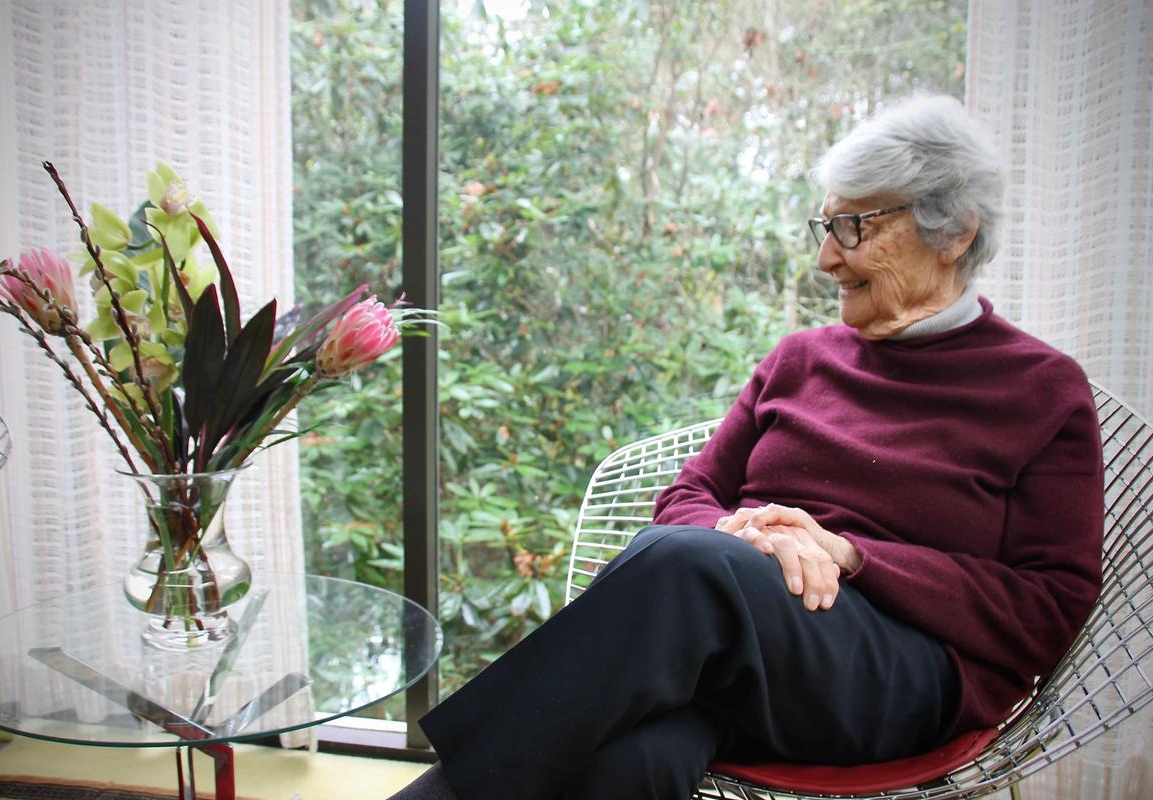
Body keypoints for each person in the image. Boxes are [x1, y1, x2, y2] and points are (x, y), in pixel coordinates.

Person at [388, 94, 1103, 800]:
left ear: (953, 231)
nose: (826, 258)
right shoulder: (800, 359)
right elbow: (684, 500)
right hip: (741, 649)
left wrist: (850, 554)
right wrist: (745, 538)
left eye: (853, 226)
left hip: (903, 677)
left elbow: (1050, 604)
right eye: (825, 226)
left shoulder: (1040, 390)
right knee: (632, 759)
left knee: (685, 569)